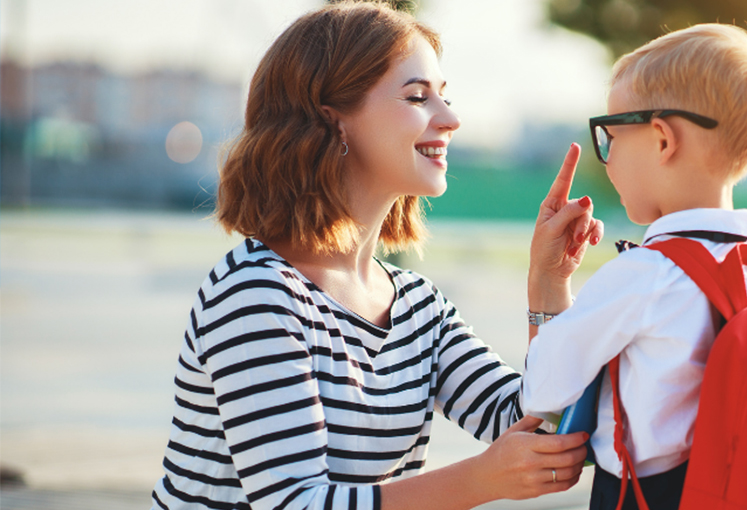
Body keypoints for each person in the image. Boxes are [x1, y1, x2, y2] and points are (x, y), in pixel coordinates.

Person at [149, 3, 604, 509]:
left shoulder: (417, 305)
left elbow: (540, 426)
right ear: (333, 119)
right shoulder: (255, 295)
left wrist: (548, 281)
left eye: (444, 97)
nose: (450, 120)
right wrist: (479, 480)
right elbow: (294, 504)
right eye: (417, 97)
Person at [521, 24, 747, 510]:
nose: (607, 157)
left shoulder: (645, 275)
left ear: (662, 139)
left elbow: (542, 393)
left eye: (613, 136)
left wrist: (547, 284)